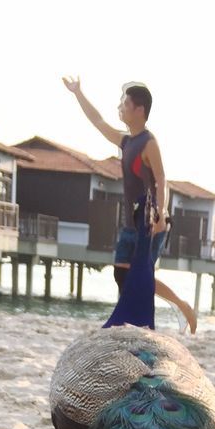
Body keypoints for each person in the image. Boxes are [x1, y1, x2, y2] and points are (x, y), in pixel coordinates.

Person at [62, 77, 197, 334]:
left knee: (138, 278)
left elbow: (161, 179)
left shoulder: (148, 143)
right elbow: (98, 121)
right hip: (130, 223)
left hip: (150, 222)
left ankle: (156, 319)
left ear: (139, 109)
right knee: (124, 276)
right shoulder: (127, 141)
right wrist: (78, 93)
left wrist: (161, 212)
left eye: (124, 103)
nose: (120, 107)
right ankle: (148, 321)